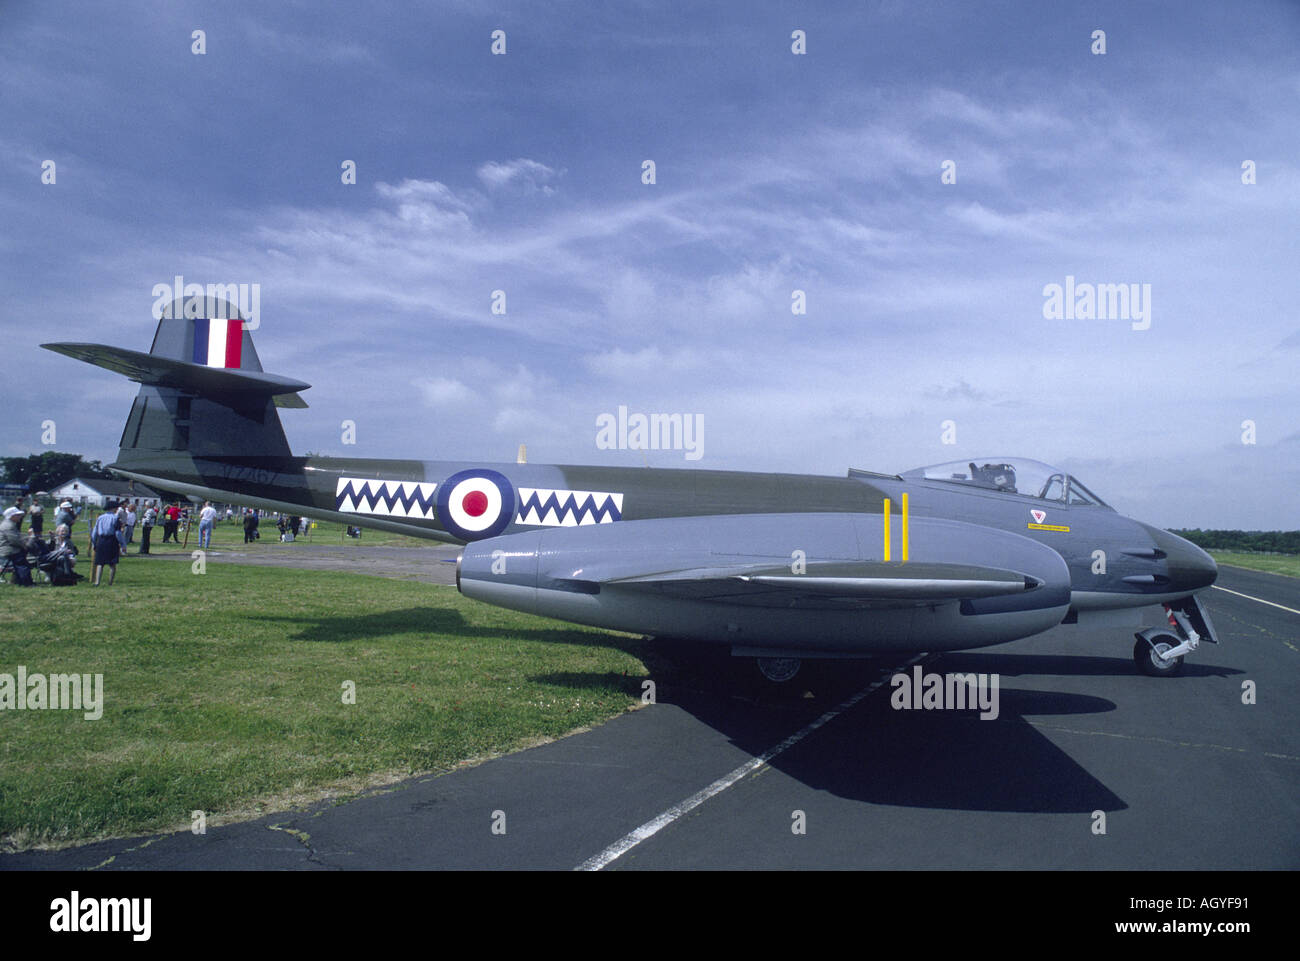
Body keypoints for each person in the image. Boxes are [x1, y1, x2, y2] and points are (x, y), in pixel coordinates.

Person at [91, 505, 123, 586]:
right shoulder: (115, 518)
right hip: (112, 540)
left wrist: (94, 543)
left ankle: (97, 582)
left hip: (101, 540)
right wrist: (123, 544)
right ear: (113, 508)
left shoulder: (100, 518)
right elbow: (118, 533)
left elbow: (95, 531)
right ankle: (110, 582)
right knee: (112, 563)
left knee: (100, 563)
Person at [1, 506, 34, 586]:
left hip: (10, 548)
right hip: (9, 550)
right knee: (22, 564)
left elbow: (16, 538)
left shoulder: (9, 524)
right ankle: (27, 583)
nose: (20, 517)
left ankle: (19, 581)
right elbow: (14, 540)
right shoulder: (8, 526)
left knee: (22, 560)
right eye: (18, 515)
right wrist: (25, 545)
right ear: (12, 516)